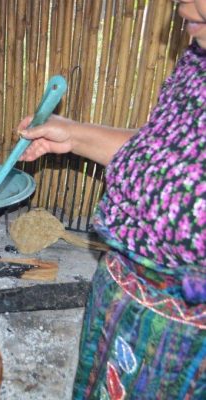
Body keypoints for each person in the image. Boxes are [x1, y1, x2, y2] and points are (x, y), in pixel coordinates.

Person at [17, 0, 205, 398]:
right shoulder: (198, 56)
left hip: (184, 350)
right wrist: (73, 135)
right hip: (122, 306)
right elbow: (164, 153)